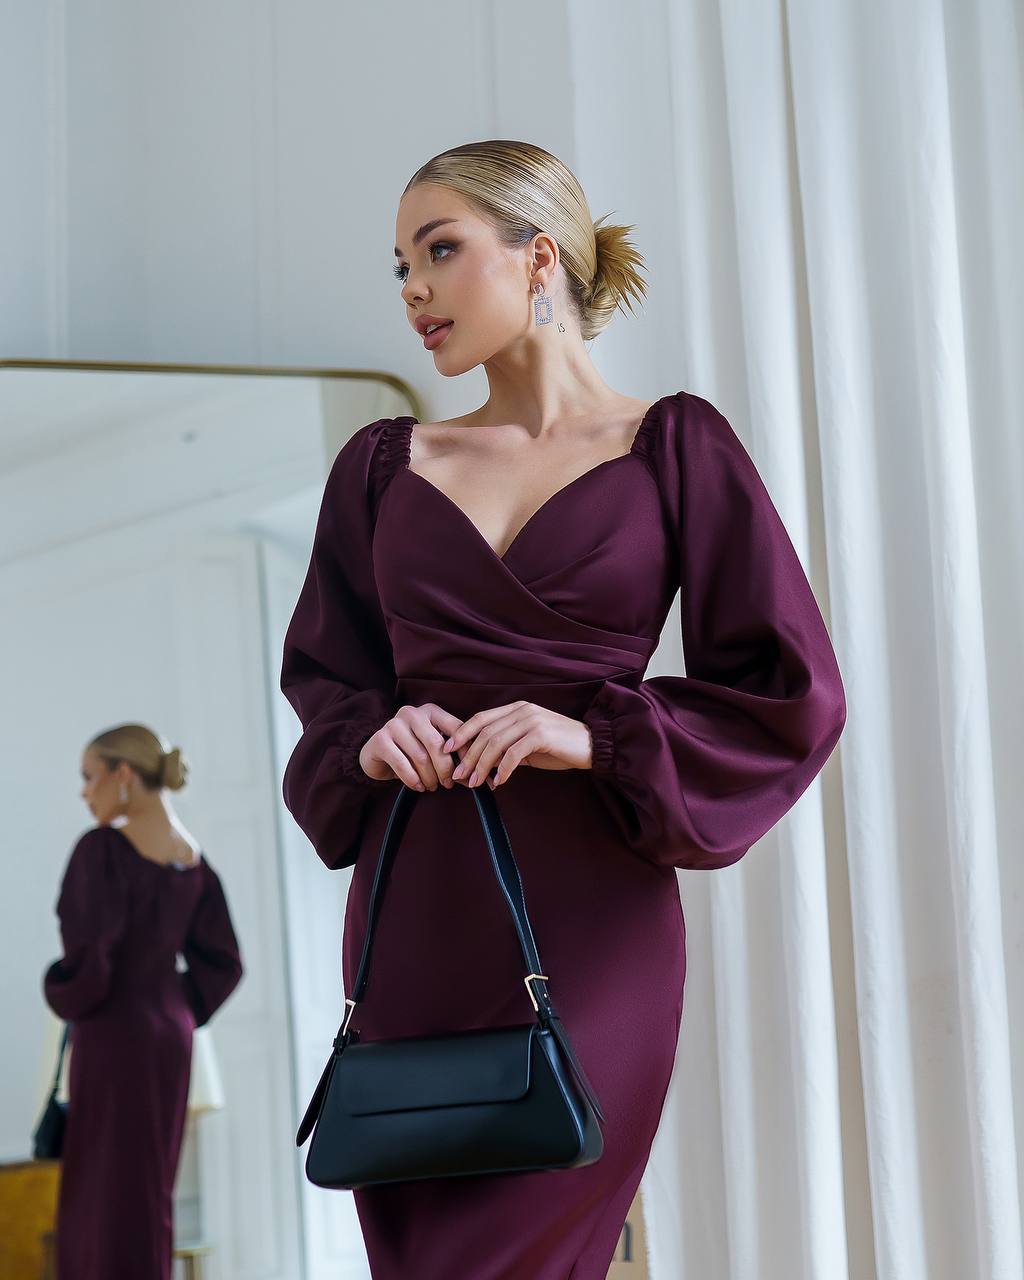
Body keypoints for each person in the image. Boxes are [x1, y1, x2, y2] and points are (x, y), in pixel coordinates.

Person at [279, 139, 847, 1279]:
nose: (413, 290)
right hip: (418, 909)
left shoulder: (674, 447)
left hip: (593, 918)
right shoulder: (382, 465)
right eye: (399, 266)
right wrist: (371, 737)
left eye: (440, 251)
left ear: (539, 257)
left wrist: (591, 736)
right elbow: (328, 677)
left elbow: (790, 688)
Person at [43, 723, 244, 1280]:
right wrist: (176, 1005)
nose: (84, 792)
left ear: (123, 774)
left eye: (89, 776)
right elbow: (225, 962)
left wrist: (60, 988)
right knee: (150, 1186)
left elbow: (91, 963)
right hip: (169, 1037)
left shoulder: (100, 850)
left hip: (113, 1034)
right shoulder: (192, 861)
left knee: (100, 1188)